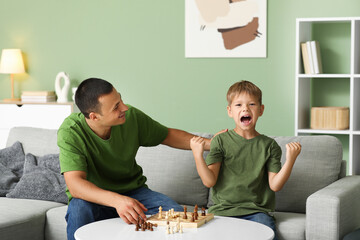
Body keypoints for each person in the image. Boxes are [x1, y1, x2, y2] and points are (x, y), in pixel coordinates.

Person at [57, 78, 214, 240]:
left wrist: (214, 143)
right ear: (94, 117)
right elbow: (75, 185)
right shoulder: (70, 131)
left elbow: (168, 135)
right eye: (116, 107)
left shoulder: (131, 117)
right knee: (78, 210)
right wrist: (117, 201)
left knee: (178, 216)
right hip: (93, 199)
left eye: (120, 100)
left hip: (134, 192)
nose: (124, 107)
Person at [190, 80, 302, 240]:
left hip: (257, 213)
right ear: (229, 111)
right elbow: (209, 181)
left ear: (261, 110)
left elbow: (275, 185)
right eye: (238, 105)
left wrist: (290, 160)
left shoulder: (269, 145)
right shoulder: (220, 141)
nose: (245, 109)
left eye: (251, 104)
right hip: (223, 211)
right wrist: (197, 154)